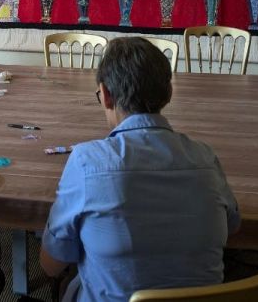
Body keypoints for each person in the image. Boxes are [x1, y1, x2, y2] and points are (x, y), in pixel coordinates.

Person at [40, 37, 240, 302]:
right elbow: (233, 225)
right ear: (168, 94)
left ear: (106, 95)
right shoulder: (205, 157)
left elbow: (51, 264)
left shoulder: (87, 162)